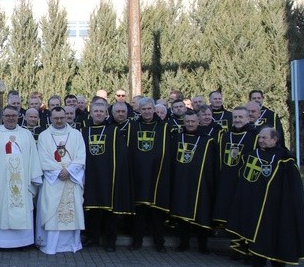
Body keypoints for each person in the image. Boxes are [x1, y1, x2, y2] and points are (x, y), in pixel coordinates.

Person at [227, 127, 304, 267]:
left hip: (277, 204)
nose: (261, 141)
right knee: (256, 231)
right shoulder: (252, 155)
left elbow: (292, 187)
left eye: (264, 138)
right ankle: (257, 261)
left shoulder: (285, 159)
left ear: (274, 139)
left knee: (278, 232)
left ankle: (278, 263)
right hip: (255, 203)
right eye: (260, 138)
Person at [0, 106, 42, 249]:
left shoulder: (26, 135)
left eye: (14, 115)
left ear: (19, 116)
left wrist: (35, 177)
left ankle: (23, 242)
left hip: (22, 182)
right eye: (8, 115)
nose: (11, 118)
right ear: (3, 117)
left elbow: (34, 159)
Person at [81, 101, 133, 252]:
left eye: (101, 111)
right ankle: (93, 237)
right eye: (95, 111)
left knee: (109, 211)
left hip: (109, 177)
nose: (98, 113)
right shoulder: (84, 131)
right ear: (91, 113)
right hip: (90, 176)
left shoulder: (114, 131)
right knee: (92, 209)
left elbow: (122, 156)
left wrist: (118, 175)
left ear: (106, 114)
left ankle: (111, 241)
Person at [35, 107, 86, 255]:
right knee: (51, 211)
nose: (59, 121)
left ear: (66, 117)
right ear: (50, 118)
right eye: (56, 118)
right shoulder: (44, 136)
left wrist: (69, 171)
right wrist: (58, 172)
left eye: (62, 118)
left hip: (71, 179)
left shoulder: (76, 134)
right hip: (53, 181)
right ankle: (51, 245)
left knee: (72, 212)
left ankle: (72, 244)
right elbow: (42, 157)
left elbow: (81, 156)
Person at [168, 111, 216, 253]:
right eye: (187, 121)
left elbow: (211, 164)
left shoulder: (207, 141)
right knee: (182, 213)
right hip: (181, 181)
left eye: (193, 121)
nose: (190, 124)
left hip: (200, 183)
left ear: (198, 122)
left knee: (201, 212)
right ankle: (184, 243)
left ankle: (203, 245)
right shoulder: (176, 138)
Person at [127, 98, 171, 253]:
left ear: (154, 109)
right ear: (139, 110)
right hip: (138, 176)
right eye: (143, 109)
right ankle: (136, 241)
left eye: (149, 109)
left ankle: (160, 243)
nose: (146, 111)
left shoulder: (164, 127)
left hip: (157, 176)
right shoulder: (132, 126)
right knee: (139, 213)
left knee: (157, 213)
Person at [212, 106, 258, 231]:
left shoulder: (255, 136)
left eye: (241, 117)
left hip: (243, 178)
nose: (237, 120)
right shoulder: (226, 136)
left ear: (248, 118)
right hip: (226, 176)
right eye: (235, 117)